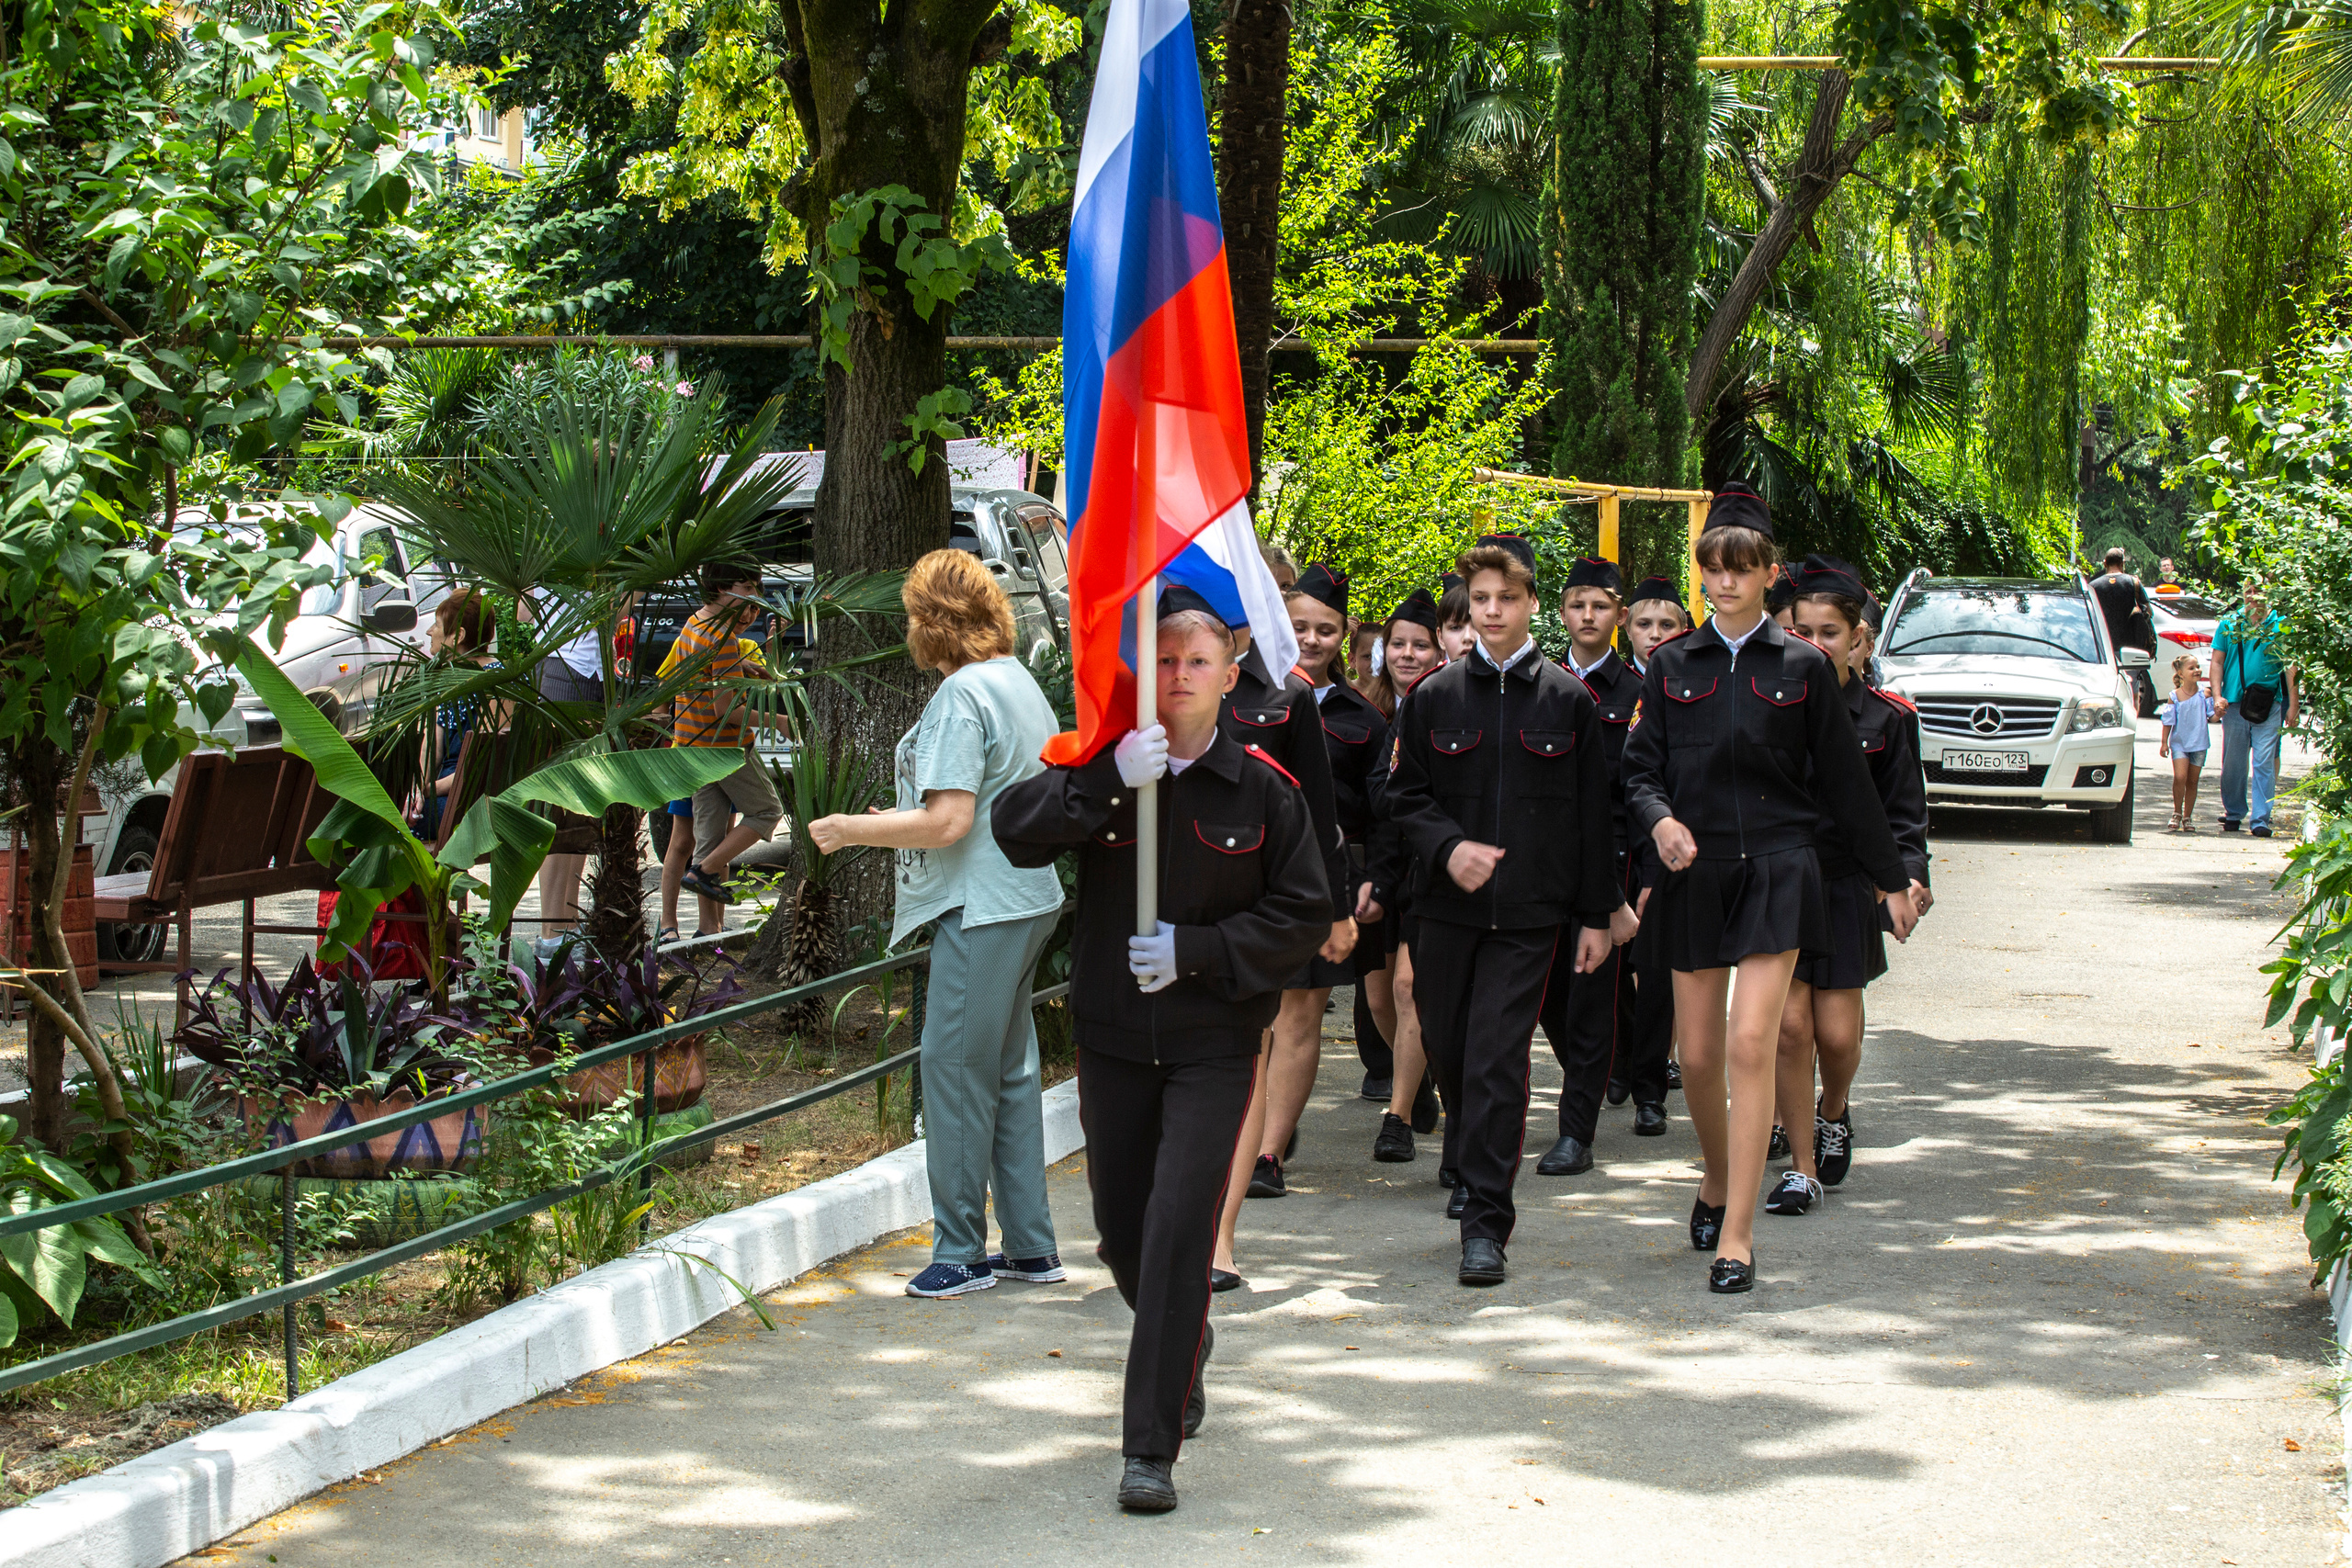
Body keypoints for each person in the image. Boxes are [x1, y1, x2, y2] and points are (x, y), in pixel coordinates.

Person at [990, 597, 1329, 1515]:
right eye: (1166, 658)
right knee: (1122, 1235)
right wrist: (1102, 783)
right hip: (1110, 1040)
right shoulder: (1108, 766)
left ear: (1230, 675)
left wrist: (1198, 951)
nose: (1179, 672)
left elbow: (1302, 912)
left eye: (1197, 660)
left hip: (1212, 1044)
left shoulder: (1263, 790)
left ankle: (1150, 1448)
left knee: (1180, 1230)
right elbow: (1012, 831)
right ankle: (1184, 1339)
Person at [1622, 485, 1917, 1293]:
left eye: (1741, 571)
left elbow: (1849, 789)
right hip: (1693, 873)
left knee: (1754, 1041)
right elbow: (1639, 768)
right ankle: (1717, 1176)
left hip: (1782, 872)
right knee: (1701, 1052)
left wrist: (1893, 881)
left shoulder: (1805, 668)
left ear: (1767, 575)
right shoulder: (1671, 663)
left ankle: (1740, 1235)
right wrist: (1659, 821)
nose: (1725, 584)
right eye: (1712, 571)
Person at [808, 551, 1067, 1298]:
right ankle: (1029, 1247)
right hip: (1028, 896)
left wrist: (851, 828)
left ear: (928, 620)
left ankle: (960, 1251)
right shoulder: (1015, 679)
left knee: (953, 1074)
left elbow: (949, 820)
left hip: (981, 907)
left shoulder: (960, 695)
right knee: (1009, 1072)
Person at [1384, 533, 1627, 1287]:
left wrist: (1598, 914)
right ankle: (1468, 1148)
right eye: (1481, 600)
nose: (1492, 611)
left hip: (1530, 916)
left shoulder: (1568, 700)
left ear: (1530, 604)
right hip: (1444, 914)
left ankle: (1487, 1220)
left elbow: (1596, 816)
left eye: (1507, 599)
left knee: (1497, 1061)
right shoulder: (1432, 697)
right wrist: (1447, 846)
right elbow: (1399, 796)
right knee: (1453, 1051)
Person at [1768, 558, 1929, 1216]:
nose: (1813, 644)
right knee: (1788, 1028)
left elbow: (1904, 816)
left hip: (1843, 889)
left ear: (1860, 639)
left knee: (1835, 1036)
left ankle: (1833, 1107)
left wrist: (1907, 877)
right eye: (1800, 629)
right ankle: (1802, 1166)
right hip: (1779, 884)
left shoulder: (1888, 720)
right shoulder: (1772, 703)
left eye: (1828, 632)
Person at [1255, 565, 1385, 1189]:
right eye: (1298, 624)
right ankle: (1251, 1132)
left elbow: (1376, 807)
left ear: (1346, 632)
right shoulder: (1243, 690)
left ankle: (1268, 1154)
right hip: (1249, 877)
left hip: (1320, 873)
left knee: (1300, 1015)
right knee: (1257, 1019)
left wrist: (1362, 883)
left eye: (1326, 629)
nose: (1310, 638)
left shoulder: (1363, 716)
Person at [1535, 557, 1655, 1177]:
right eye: (1578, 604)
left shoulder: (1639, 694)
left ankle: (1575, 1133)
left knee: (1591, 1001)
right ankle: (1624, 1062)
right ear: (1561, 612)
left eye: (1601, 606)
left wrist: (1645, 881)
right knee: (1549, 998)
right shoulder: (1542, 685)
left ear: (1620, 616)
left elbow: (1642, 788)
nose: (1588, 616)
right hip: (1541, 866)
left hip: (1608, 867)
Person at [1361, 590, 1448, 1163]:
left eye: (1420, 645)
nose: (1408, 655)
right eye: (1399, 644)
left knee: (1407, 988)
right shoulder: (1366, 710)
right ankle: (1421, 1077)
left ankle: (1397, 1114)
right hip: (1376, 869)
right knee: (1378, 997)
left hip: (1425, 870)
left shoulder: (1443, 704)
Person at [670, 561, 786, 911]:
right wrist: (778, 722)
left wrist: (740, 666)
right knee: (767, 810)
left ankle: (708, 932)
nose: (756, 597)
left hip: (691, 748)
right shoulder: (723, 638)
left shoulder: (697, 622)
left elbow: (695, 675)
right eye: (747, 588)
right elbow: (725, 711)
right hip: (724, 749)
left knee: (710, 837)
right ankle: (703, 872)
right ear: (722, 588)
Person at [1620, 577, 1689, 1102]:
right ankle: (1624, 1065)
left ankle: (1652, 1077)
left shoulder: (1688, 683)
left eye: (1667, 625)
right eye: (1644, 624)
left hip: (1664, 853)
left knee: (1659, 972)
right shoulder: (1613, 687)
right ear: (1628, 628)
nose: (1655, 635)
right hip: (1612, 852)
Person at [2211, 580, 2299, 837]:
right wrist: (2217, 696)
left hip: (2269, 704)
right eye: (2247, 591)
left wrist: (2293, 704)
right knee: (2234, 763)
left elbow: (2291, 667)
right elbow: (2217, 661)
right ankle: (2234, 812)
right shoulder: (2230, 623)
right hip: (2235, 703)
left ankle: (2261, 819)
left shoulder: (2280, 625)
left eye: (2257, 591)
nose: (2252, 596)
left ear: (2268, 594)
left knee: (2264, 762)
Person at [410, 589, 499, 839]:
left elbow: (481, 766)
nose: (429, 632)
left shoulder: (499, 682)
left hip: (471, 798)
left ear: (458, 635)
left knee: (392, 820)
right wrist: (418, 790)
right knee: (404, 807)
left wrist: (428, 790)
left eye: (437, 625)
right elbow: (432, 749)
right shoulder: (449, 677)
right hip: (441, 792)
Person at [2160, 655, 2214, 833]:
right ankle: (2176, 812)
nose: (2197, 670)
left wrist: (2220, 712)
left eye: (2198, 667)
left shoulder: (2204, 693)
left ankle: (2187, 816)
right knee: (2180, 777)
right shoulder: (2174, 696)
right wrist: (2164, 743)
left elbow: (2212, 717)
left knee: (2192, 781)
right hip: (2180, 744)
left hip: (2199, 744)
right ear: (2181, 673)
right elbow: (2168, 721)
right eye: (2192, 668)